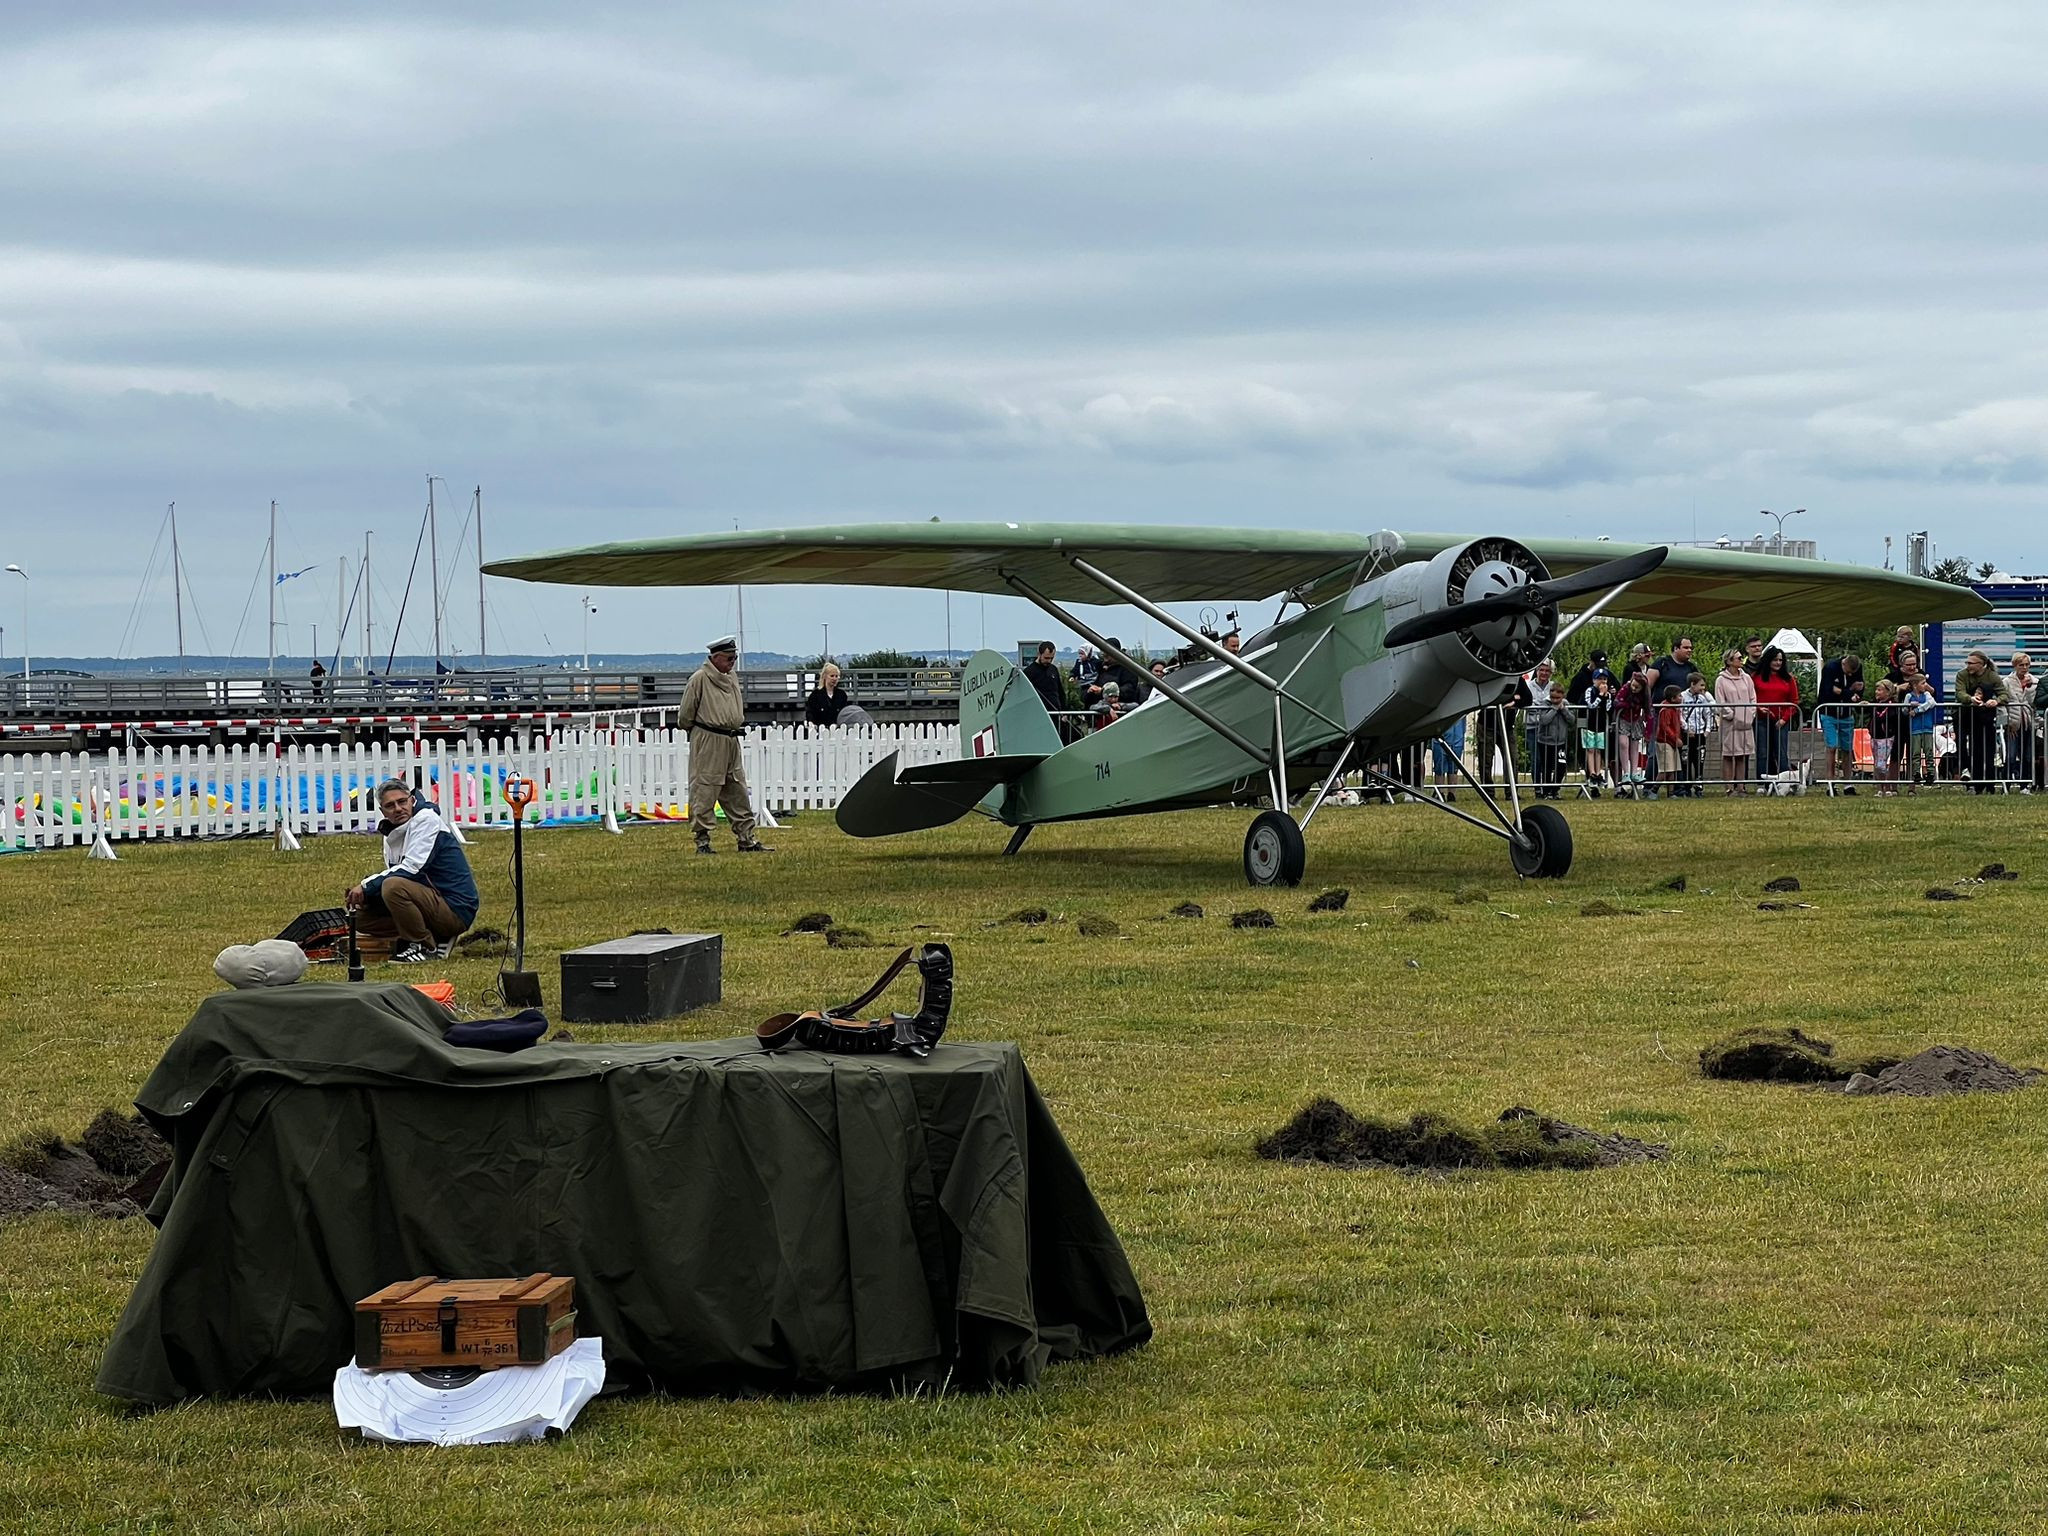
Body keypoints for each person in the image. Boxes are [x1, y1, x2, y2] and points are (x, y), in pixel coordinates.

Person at [346, 779, 480, 963]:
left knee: (393, 887)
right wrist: (366, 896)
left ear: (412, 800)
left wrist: (366, 886)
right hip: (429, 900)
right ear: (382, 811)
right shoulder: (392, 832)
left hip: (455, 908)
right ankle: (433, 936)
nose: (398, 808)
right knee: (358, 917)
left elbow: (411, 869)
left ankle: (424, 947)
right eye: (390, 805)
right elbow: (399, 875)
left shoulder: (427, 819)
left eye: (402, 802)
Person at [680, 636, 770, 853]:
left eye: (735, 658)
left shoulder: (731, 678)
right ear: (715, 658)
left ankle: (746, 839)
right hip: (709, 738)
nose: (733, 662)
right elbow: (685, 715)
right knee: (705, 788)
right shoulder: (699, 679)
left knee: (737, 788)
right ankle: (702, 841)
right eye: (729, 658)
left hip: (730, 740)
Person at [1953, 649, 2005, 793]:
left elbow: (2004, 694)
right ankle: (1966, 771)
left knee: (1982, 751)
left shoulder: (1992, 676)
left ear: (1981, 664)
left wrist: (1996, 701)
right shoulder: (1962, 674)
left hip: (1982, 718)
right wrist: (1970, 699)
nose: (1968, 665)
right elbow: (1960, 693)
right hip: (1962, 715)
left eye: (1971, 663)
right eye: (1967, 662)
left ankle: (1985, 785)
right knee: (1961, 745)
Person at [1815, 654, 1865, 793]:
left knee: (1847, 749)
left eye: (1852, 673)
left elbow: (1860, 687)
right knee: (1832, 747)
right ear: (1844, 664)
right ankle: (1830, 783)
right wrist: (1849, 692)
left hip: (1846, 714)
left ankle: (1848, 784)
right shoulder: (1831, 668)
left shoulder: (1857, 669)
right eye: (1848, 672)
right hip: (1829, 713)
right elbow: (1829, 690)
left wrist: (1856, 692)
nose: (1850, 675)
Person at [1713, 649, 1758, 794]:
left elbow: (1753, 697)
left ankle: (1741, 787)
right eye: (1738, 658)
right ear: (1729, 661)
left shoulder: (1747, 678)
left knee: (1742, 755)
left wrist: (1750, 714)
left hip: (1745, 723)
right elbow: (1720, 700)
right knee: (1728, 755)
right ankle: (1729, 788)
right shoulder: (1721, 680)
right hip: (1730, 724)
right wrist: (1730, 714)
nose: (1741, 660)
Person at [1751, 646, 1799, 778]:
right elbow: (1750, 697)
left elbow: (1794, 702)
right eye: (1775, 660)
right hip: (1761, 719)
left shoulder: (1789, 679)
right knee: (1762, 753)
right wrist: (1758, 708)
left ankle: (1784, 782)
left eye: (1780, 660)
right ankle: (1762, 783)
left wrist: (1784, 719)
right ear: (1768, 660)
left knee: (1781, 752)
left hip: (1781, 721)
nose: (1778, 663)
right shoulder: (1756, 677)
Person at [1527, 684, 1571, 798]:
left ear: (1563, 696)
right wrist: (1554, 709)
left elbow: (1572, 719)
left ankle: (1555, 789)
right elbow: (1544, 720)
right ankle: (1546, 791)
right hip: (1545, 742)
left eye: (1558, 698)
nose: (1555, 700)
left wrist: (1564, 710)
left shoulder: (1565, 704)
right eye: (1553, 698)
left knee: (1561, 767)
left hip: (1560, 742)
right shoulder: (1544, 704)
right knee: (1546, 767)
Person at [2003, 652, 2036, 792]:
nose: (2024, 667)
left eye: (2027, 665)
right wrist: (2007, 722)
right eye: (2021, 665)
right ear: (2015, 666)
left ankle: (2024, 786)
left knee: (2027, 757)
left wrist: (2027, 688)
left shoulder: (2034, 682)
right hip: (2013, 723)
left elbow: (2032, 703)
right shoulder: (2006, 682)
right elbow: (2002, 703)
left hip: (2028, 723)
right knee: (2010, 756)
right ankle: (2006, 786)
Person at [1613, 672, 1649, 798]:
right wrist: (1628, 705)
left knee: (1634, 746)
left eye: (1637, 687)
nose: (1634, 689)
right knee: (1623, 744)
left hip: (1635, 721)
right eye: (1633, 686)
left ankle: (1634, 772)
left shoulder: (1644, 694)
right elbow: (1617, 702)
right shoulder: (1625, 688)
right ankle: (1626, 772)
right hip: (1623, 719)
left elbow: (1647, 707)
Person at [1680, 673, 1716, 795]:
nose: (1703, 688)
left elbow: (1708, 714)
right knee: (1686, 761)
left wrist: (1707, 730)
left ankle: (1699, 786)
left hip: (1700, 734)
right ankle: (1687, 786)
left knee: (1699, 761)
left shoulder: (1702, 698)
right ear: (1692, 684)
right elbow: (1680, 715)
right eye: (1701, 685)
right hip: (1687, 735)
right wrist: (1686, 728)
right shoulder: (1683, 697)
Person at [1869, 680, 1906, 795]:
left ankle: (1888, 787)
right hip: (1875, 737)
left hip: (1887, 738)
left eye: (1880, 690)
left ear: (1888, 692)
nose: (1877, 692)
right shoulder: (1875, 704)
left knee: (1883, 764)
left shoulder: (1893, 705)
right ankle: (1879, 788)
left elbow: (1889, 718)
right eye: (1876, 689)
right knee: (1878, 764)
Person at [1579, 673, 1613, 796]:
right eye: (1599, 679)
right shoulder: (1590, 690)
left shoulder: (1607, 694)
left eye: (1604, 679)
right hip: (1590, 725)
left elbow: (1608, 708)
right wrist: (1600, 696)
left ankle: (1599, 773)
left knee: (1599, 750)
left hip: (1601, 726)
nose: (1602, 682)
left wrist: (1606, 696)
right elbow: (1591, 705)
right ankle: (1592, 773)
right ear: (1594, 680)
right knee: (1591, 750)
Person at [1904, 672, 1939, 791]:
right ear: (1915, 685)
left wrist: (1918, 709)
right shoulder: (1909, 696)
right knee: (1915, 752)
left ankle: (1930, 773)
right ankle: (1916, 773)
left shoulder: (1927, 694)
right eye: (1923, 683)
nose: (1925, 686)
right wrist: (1909, 706)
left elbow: (1931, 703)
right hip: (1915, 728)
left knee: (1929, 751)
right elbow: (1904, 709)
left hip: (1927, 727)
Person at [1653, 686, 1684, 795]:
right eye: (1679, 696)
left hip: (1672, 742)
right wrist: (1675, 739)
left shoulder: (1675, 709)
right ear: (1673, 698)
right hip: (1665, 742)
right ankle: (1654, 790)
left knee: (1673, 768)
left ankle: (1671, 792)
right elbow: (1665, 727)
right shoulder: (1665, 709)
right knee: (1666, 769)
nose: (1682, 697)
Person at [1431, 713, 1468, 801]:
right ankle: (1439, 792)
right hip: (1441, 729)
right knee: (1439, 763)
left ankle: (1452, 793)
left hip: (1457, 731)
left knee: (1454, 764)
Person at [1023, 641, 1067, 715]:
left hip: (1056, 712)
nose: (1049, 661)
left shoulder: (1053, 669)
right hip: (1039, 713)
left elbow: (1060, 692)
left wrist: (1065, 712)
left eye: (1051, 658)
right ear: (1039, 654)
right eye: (1046, 658)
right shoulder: (1029, 671)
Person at [804, 661, 849, 727]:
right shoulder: (815, 695)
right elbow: (810, 712)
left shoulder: (842, 695)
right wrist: (811, 722)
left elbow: (844, 713)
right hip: (820, 729)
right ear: (825, 676)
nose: (834, 679)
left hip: (837, 730)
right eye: (832, 676)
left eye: (836, 676)